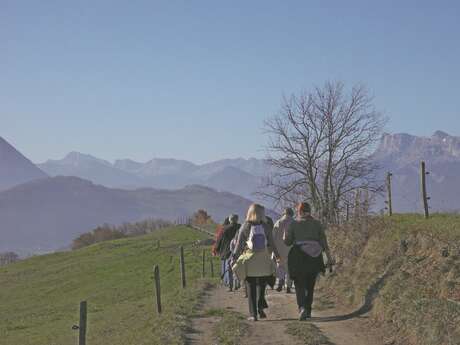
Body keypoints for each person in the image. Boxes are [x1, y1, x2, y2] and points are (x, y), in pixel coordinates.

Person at [284, 202, 334, 320]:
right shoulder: (317, 224)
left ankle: (302, 308)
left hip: (298, 256)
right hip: (314, 257)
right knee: (310, 284)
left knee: (299, 283)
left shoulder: (293, 223)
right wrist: (329, 258)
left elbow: (288, 242)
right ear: (310, 211)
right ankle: (308, 309)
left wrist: (285, 236)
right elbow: (324, 243)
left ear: (299, 211)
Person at [232, 204, 279, 321]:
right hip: (263, 258)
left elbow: (238, 245)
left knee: (251, 286)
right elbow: (272, 243)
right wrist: (277, 256)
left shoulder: (245, 226)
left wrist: (234, 257)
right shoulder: (266, 226)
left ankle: (253, 314)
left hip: (250, 259)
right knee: (262, 285)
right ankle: (260, 308)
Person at [215, 214, 241, 291]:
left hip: (227, 251)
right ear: (237, 220)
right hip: (238, 250)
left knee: (229, 268)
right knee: (237, 267)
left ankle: (230, 285)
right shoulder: (240, 227)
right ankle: (237, 284)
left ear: (230, 220)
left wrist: (217, 248)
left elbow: (219, 240)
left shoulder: (224, 229)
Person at [272, 208, 295, 293]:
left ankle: (280, 283)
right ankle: (288, 287)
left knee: (280, 266)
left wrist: (273, 251)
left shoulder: (278, 223)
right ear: (291, 214)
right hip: (291, 249)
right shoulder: (294, 223)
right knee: (290, 268)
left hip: (279, 249)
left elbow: (273, 237)